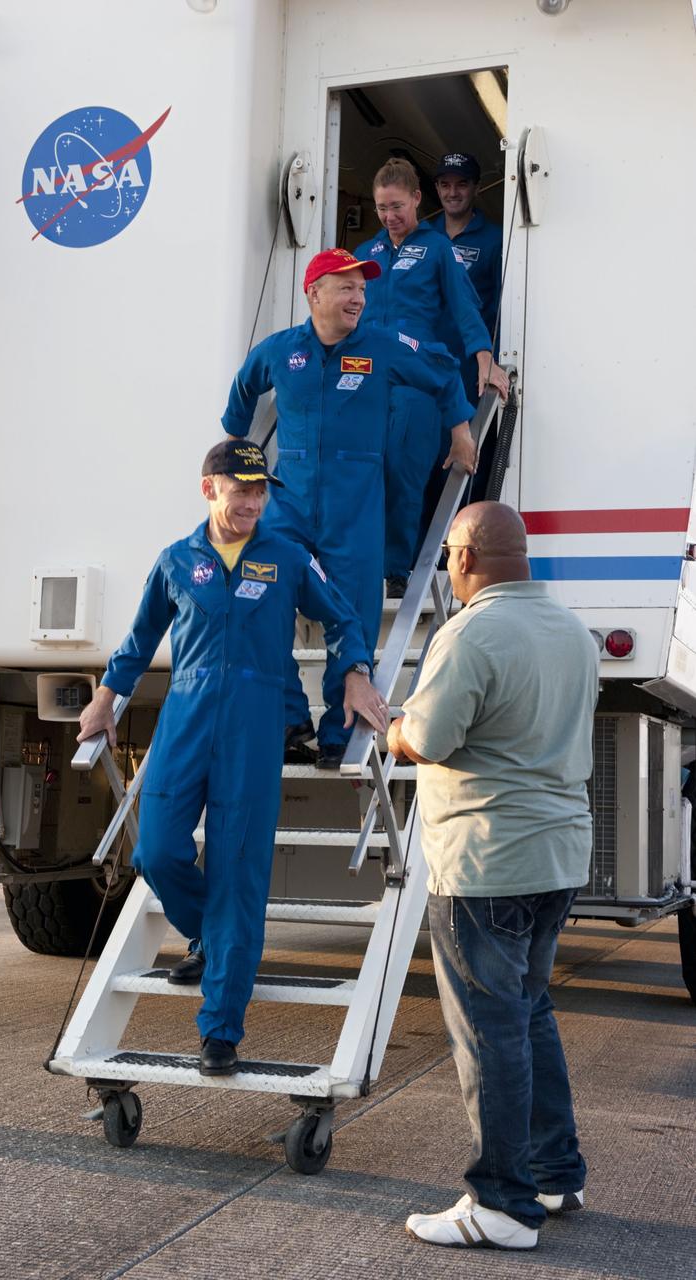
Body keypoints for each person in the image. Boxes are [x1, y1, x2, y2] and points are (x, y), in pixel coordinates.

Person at [77, 440, 387, 1078]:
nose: (252, 501)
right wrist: (106, 698)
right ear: (208, 489)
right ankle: (211, 939)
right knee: (156, 851)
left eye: (260, 491)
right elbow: (138, 644)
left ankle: (221, 1028)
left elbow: (344, 620)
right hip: (185, 718)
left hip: (254, 721)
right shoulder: (176, 561)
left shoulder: (288, 555)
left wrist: (355, 672)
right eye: (240, 489)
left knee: (238, 873)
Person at [387, 501, 599, 1250]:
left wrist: (391, 727)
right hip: (556, 855)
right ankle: (554, 1172)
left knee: (488, 1032)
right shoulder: (571, 632)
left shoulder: (470, 632)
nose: (447, 564)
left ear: (466, 558)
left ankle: (501, 1206)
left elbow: (429, 738)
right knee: (527, 1013)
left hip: (483, 861)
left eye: (449, 552)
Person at [222, 248, 475, 770]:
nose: (359, 297)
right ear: (314, 294)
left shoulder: (382, 346)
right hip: (287, 500)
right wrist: (233, 451)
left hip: (355, 505)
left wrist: (460, 429)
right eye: (347, 287)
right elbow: (246, 385)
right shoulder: (281, 350)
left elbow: (442, 372)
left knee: (354, 620)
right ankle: (291, 718)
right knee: (259, 598)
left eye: (362, 288)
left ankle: (338, 735)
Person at [355, 158, 509, 596]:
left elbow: (465, 306)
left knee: (405, 469)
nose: (390, 216)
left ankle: (396, 570)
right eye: (382, 207)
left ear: (418, 200)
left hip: (418, 381)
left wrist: (484, 357)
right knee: (365, 470)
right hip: (369, 378)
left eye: (398, 206)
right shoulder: (366, 254)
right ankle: (360, 562)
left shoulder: (438, 247)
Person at [429, 151, 505, 501]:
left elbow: (505, 306)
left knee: (470, 462)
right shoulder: (424, 236)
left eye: (461, 184)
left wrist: (489, 358)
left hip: (470, 371)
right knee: (429, 460)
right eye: (445, 185)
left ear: (476, 188)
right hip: (428, 368)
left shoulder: (493, 239)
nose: (453, 192)